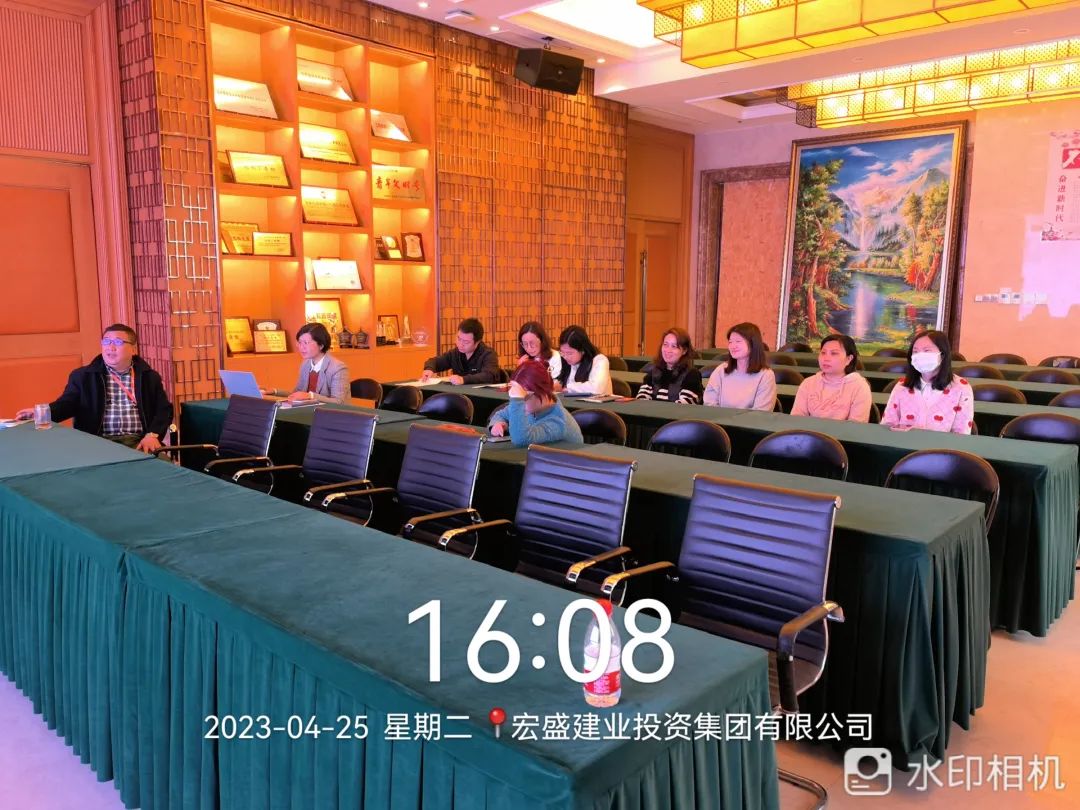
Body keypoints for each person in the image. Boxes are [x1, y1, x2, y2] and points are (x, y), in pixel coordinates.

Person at [15, 323, 172, 452]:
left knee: (164, 469)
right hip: (97, 442)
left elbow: (163, 410)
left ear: (133, 349)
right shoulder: (83, 376)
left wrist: (152, 435)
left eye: (118, 342)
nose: (110, 347)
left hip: (138, 441)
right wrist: (41, 412)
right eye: (106, 342)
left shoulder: (149, 377)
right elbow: (66, 405)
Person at [882, 330, 974, 434]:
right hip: (903, 443)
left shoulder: (961, 388)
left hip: (941, 445)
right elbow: (887, 425)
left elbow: (961, 434)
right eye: (915, 351)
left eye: (926, 351)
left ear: (942, 355)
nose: (920, 355)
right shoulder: (901, 386)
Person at [487, 360, 583, 447]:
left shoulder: (559, 422)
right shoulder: (531, 407)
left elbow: (521, 439)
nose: (521, 401)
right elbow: (500, 414)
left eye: (524, 395)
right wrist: (497, 424)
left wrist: (517, 400)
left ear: (544, 392)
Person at [791, 334, 872, 422]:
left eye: (834, 353)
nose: (826, 358)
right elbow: (796, 419)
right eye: (823, 353)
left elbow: (856, 426)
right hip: (808, 431)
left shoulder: (860, 387)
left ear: (849, 359)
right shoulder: (808, 383)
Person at [263, 323, 349, 404]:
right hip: (309, 411)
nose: (301, 347)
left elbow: (338, 401)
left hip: (331, 413)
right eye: (300, 342)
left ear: (321, 345)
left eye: (306, 343)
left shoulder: (337, 368)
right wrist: (275, 392)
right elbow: (297, 393)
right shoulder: (306, 364)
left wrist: (310, 396)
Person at [703, 322, 776, 411]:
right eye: (730, 342)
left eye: (738, 341)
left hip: (750, 420)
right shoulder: (721, 370)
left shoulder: (766, 375)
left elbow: (761, 412)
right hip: (719, 419)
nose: (733, 346)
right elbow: (709, 403)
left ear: (753, 343)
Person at [421, 318, 499, 384]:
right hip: (459, 395)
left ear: (478, 342)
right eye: (459, 339)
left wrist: (463, 379)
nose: (460, 344)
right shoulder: (455, 353)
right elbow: (434, 362)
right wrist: (429, 369)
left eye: (466, 342)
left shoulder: (488, 354)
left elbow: (489, 376)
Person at [636, 327, 703, 405]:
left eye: (674, 346)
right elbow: (641, 398)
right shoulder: (655, 371)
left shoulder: (692, 375)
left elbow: (684, 406)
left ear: (684, 350)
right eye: (665, 345)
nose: (668, 350)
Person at [554, 325, 612, 396]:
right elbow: (560, 382)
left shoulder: (600, 360)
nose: (565, 357)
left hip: (598, 402)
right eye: (562, 352)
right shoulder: (566, 360)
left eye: (570, 353)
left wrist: (568, 388)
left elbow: (596, 388)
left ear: (582, 350)